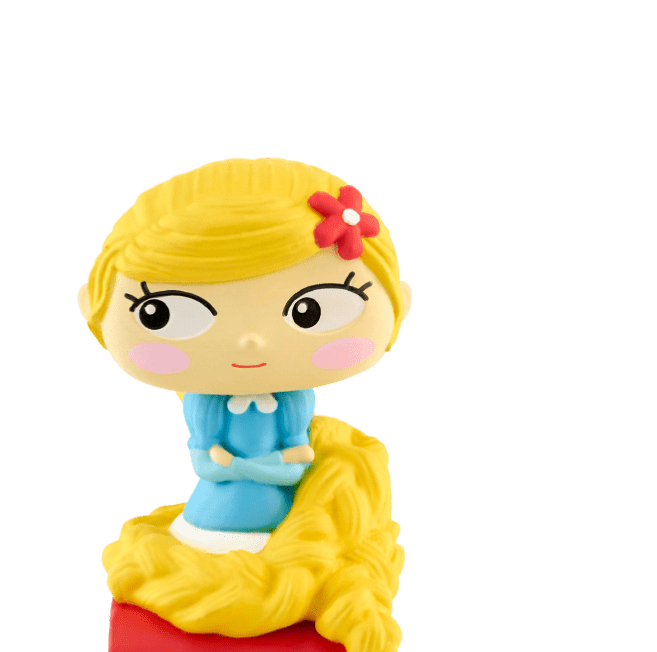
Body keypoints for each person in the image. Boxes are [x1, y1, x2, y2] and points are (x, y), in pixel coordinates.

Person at [77, 157, 412, 553]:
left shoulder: (293, 400)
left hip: (283, 520)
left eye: (311, 311)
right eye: (161, 312)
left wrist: (246, 467)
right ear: (91, 308)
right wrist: (264, 467)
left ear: (400, 303)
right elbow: (207, 462)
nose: (250, 342)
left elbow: (295, 461)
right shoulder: (205, 402)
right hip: (212, 518)